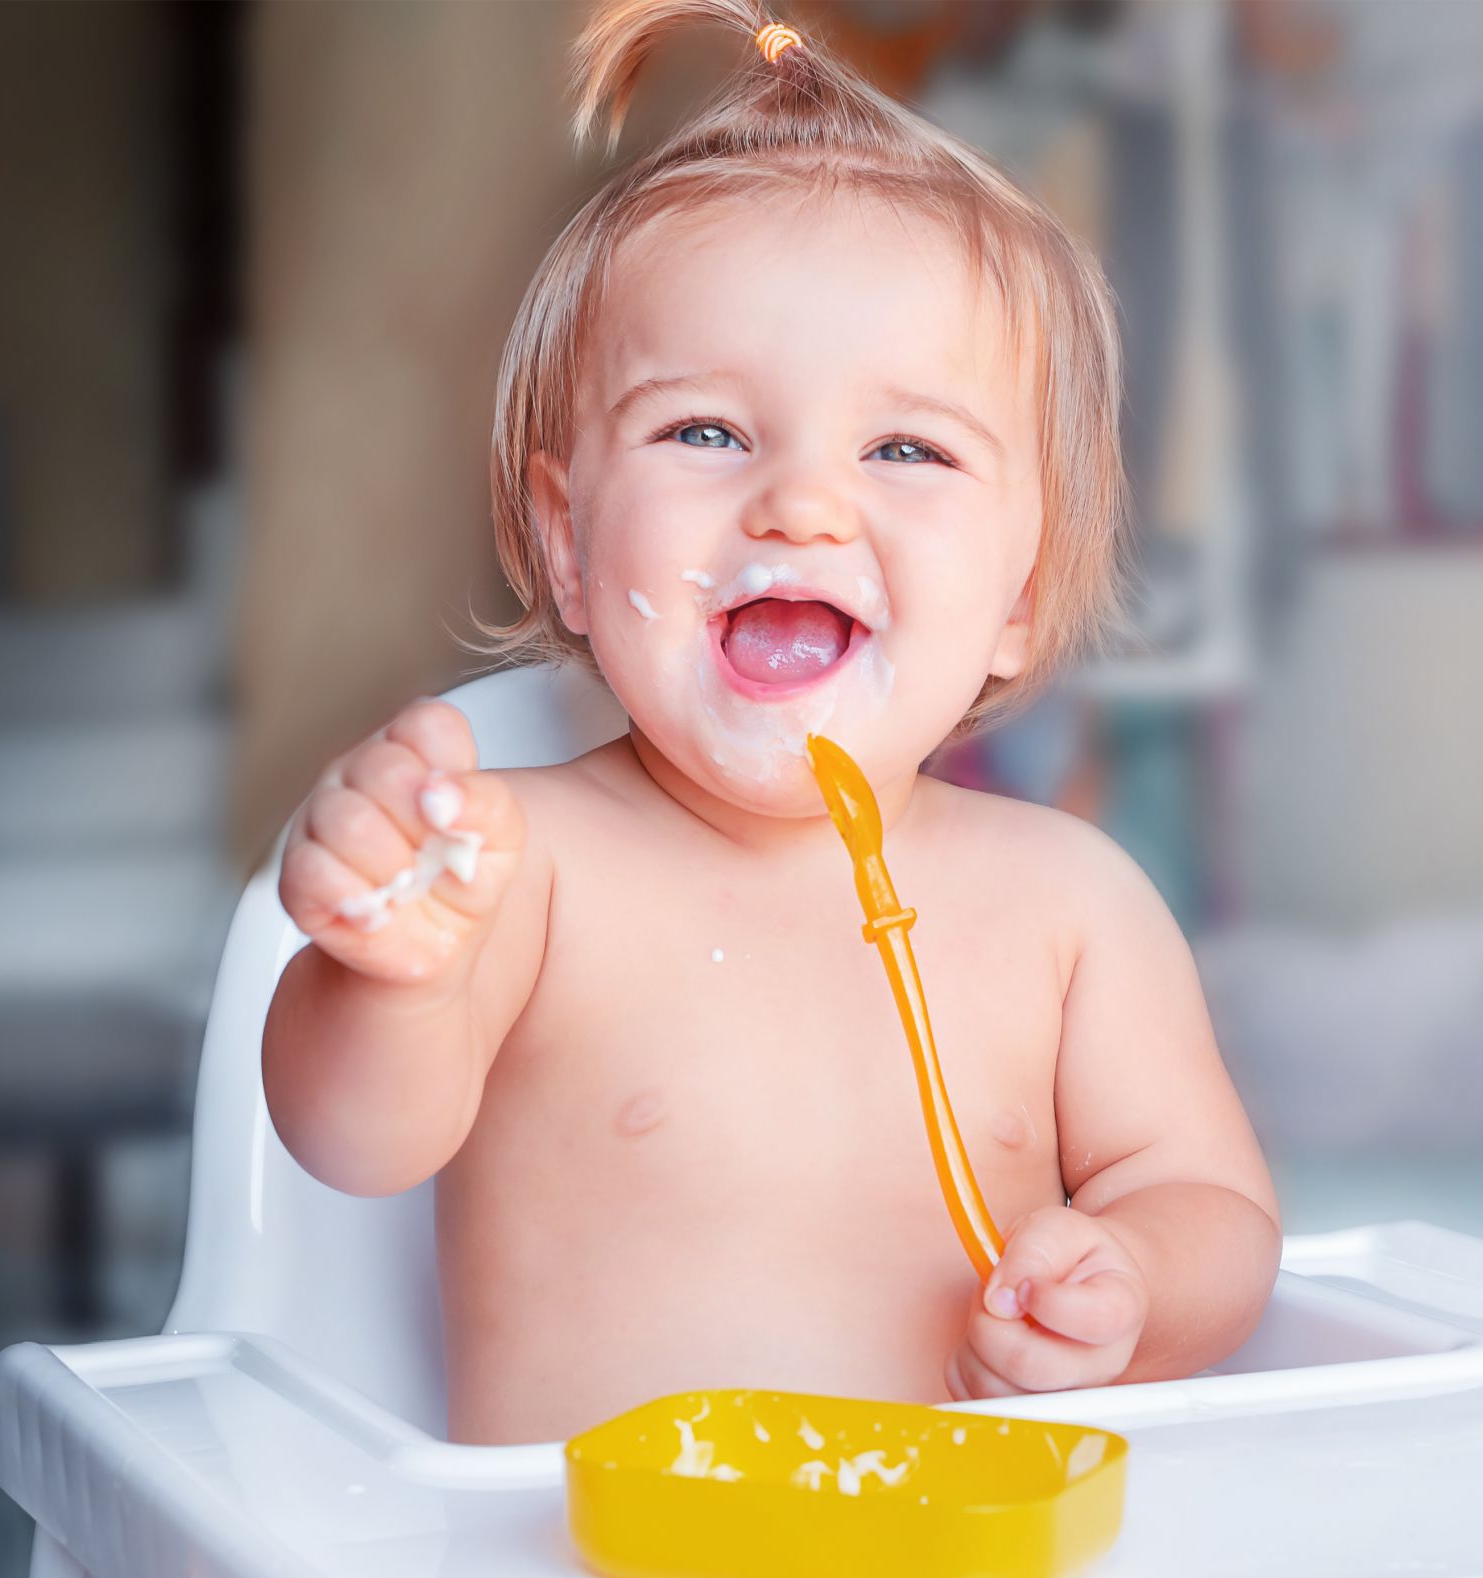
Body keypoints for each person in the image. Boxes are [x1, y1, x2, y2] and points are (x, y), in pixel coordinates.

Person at [261, 0, 1277, 1445]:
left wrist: (1135, 1282)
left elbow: (1215, 1211)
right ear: (566, 541)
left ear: (1022, 591)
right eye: (707, 433)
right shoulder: (519, 866)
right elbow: (352, 1142)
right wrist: (390, 975)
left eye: (906, 449)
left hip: (963, 1570)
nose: (801, 503)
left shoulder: (1073, 908)